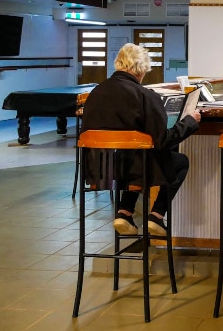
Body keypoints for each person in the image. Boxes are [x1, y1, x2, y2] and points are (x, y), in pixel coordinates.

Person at [82, 43, 201, 236]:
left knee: (136, 156)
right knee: (177, 160)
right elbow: (163, 141)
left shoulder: (95, 94)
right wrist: (190, 122)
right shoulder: (145, 96)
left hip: (100, 170)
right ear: (143, 68)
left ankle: (124, 212)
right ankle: (156, 216)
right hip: (134, 169)